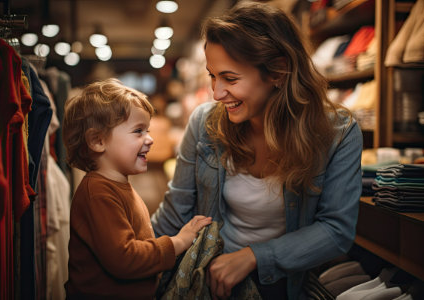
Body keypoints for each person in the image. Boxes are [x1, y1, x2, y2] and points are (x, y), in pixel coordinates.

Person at [151, 2, 363, 300]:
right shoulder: (204, 123)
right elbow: (175, 213)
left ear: (278, 71)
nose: (216, 92)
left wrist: (255, 256)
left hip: (284, 288)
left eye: (230, 78)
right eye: (212, 75)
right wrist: (128, 257)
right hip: (209, 286)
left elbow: (337, 231)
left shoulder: (337, 133)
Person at [62, 78, 212, 300]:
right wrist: (178, 242)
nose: (150, 139)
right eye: (138, 131)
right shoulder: (98, 194)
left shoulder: (116, 185)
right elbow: (124, 258)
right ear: (97, 141)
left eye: (147, 130)